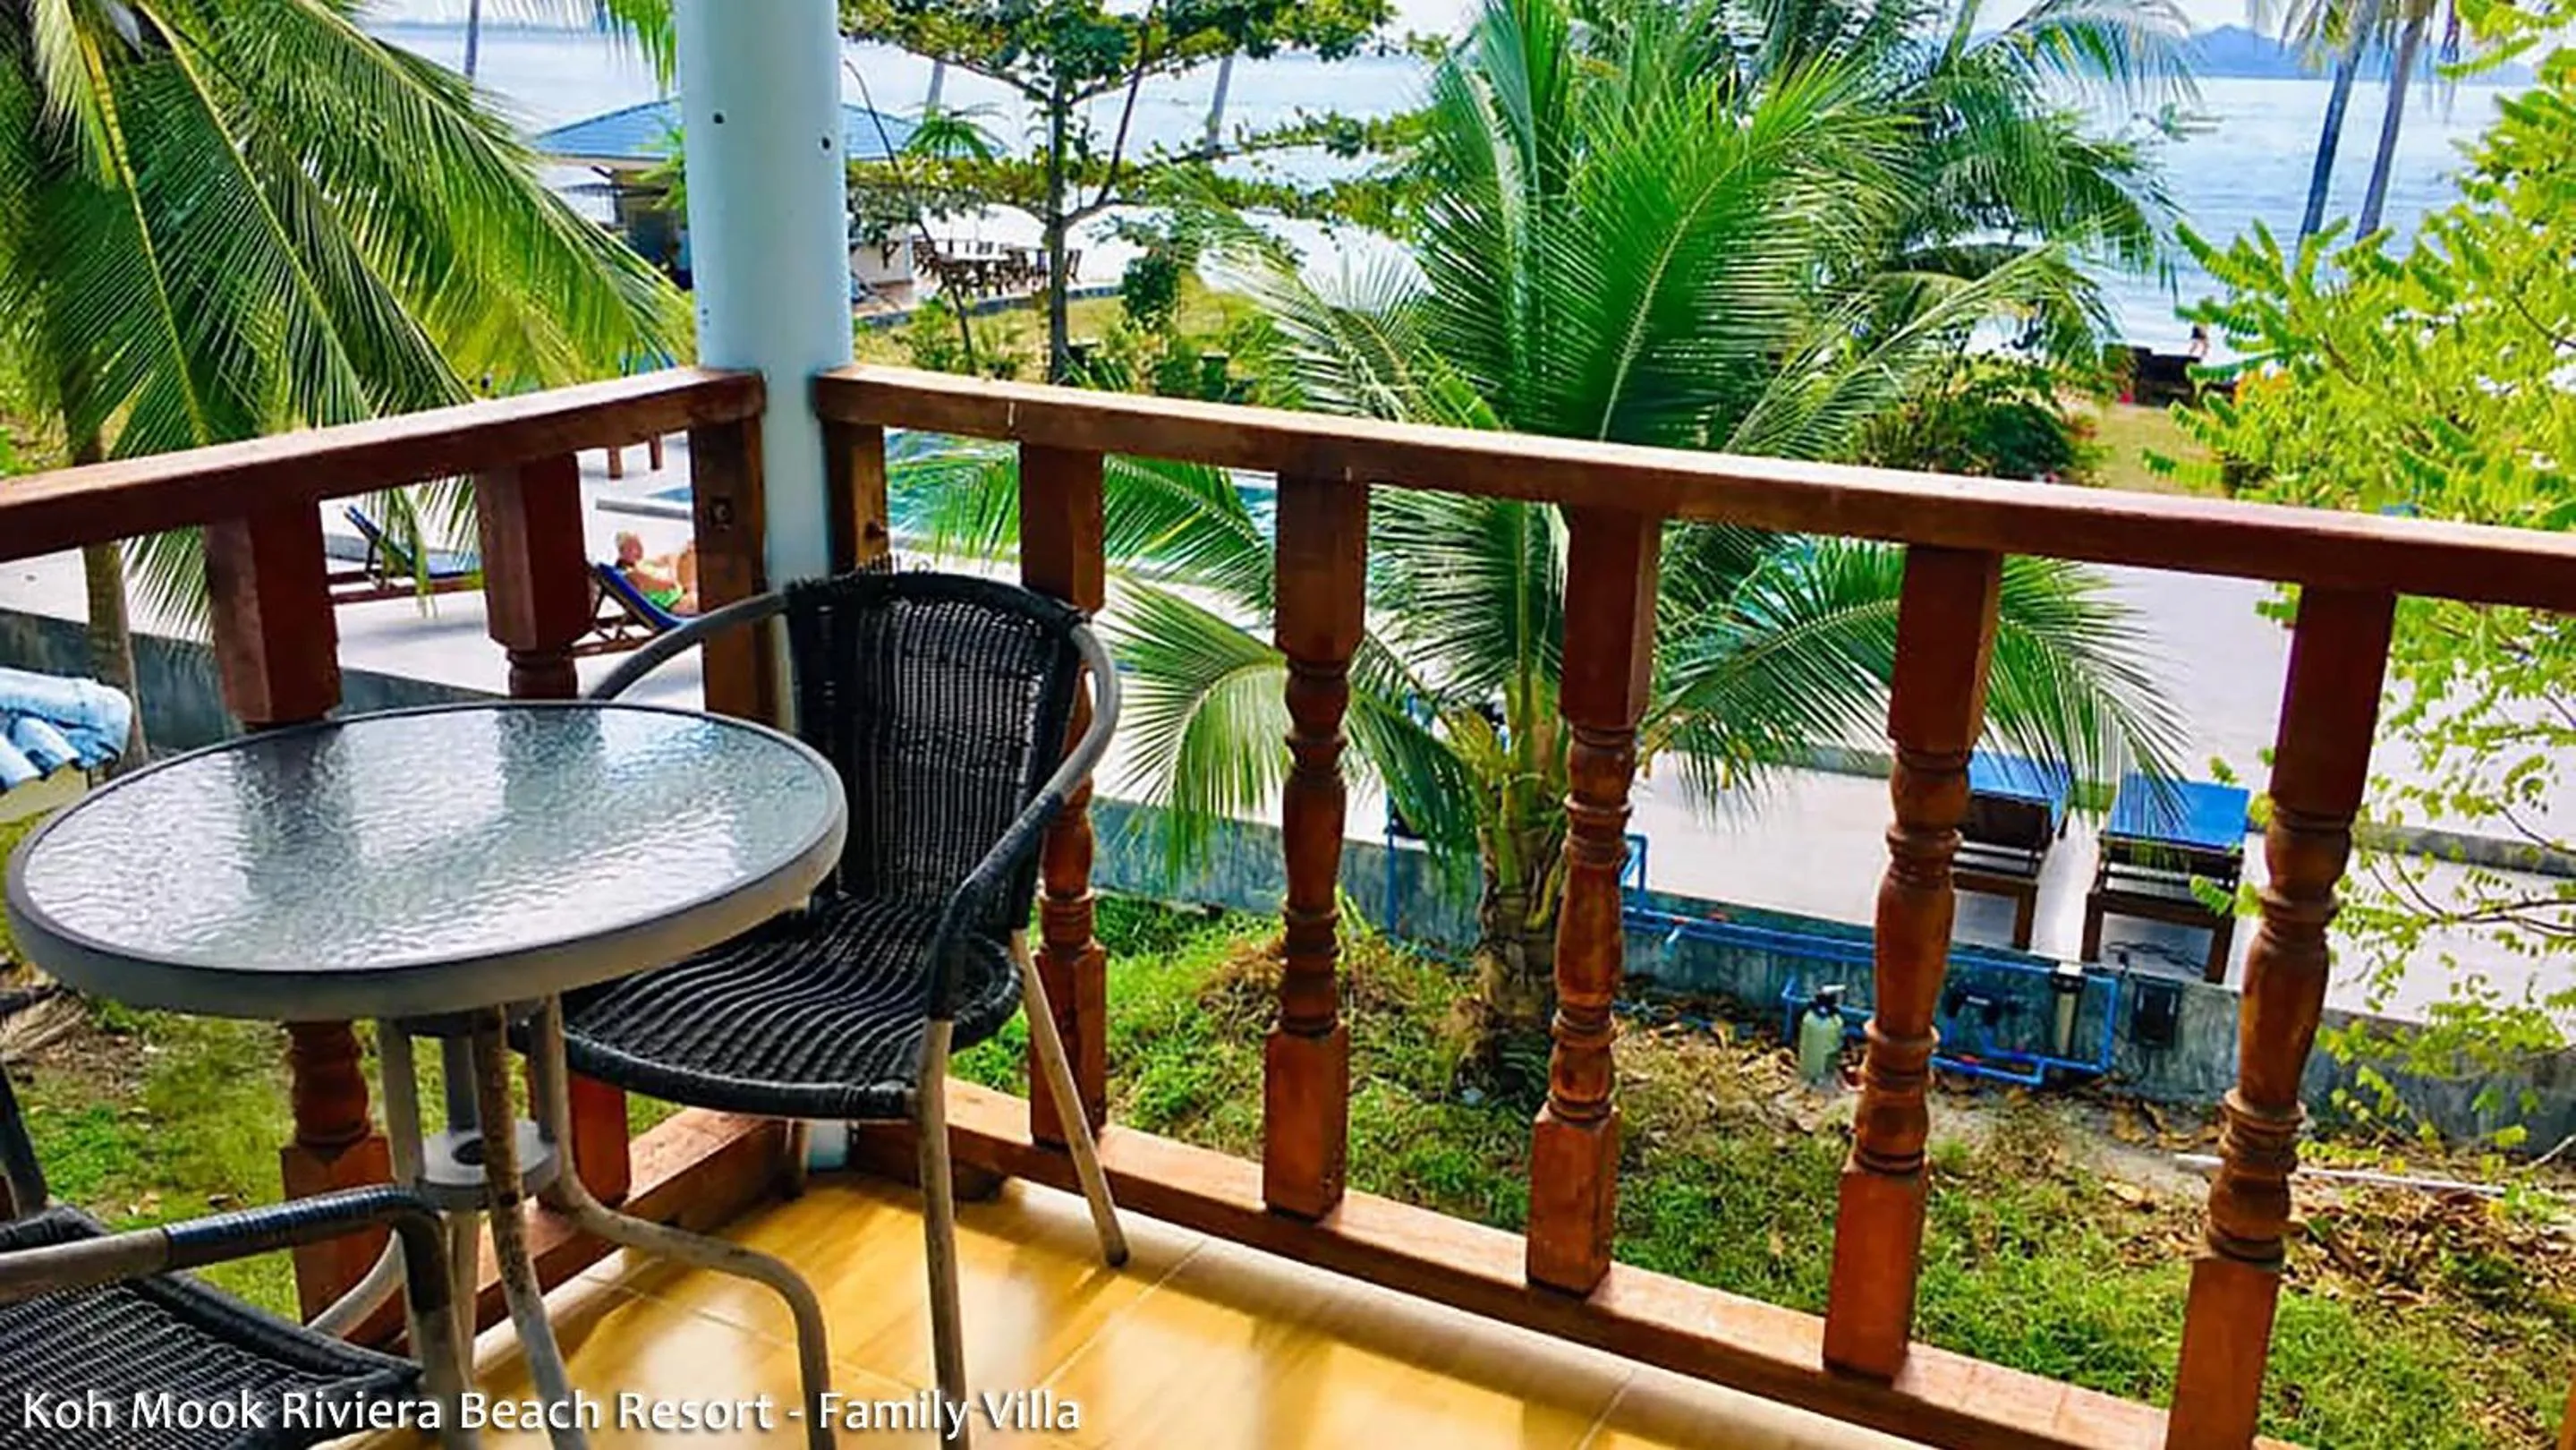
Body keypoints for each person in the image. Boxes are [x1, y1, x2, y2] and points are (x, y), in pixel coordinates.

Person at [615, 531, 699, 616]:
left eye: (639, 545)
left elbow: (670, 557)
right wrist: (673, 570)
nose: (638, 550)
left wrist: (685, 552)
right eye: (631, 548)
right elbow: (668, 585)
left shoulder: (642, 563)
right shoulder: (633, 574)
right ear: (622, 553)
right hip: (676, 605)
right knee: (707, 602)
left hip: (683, 597)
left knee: (689, 552)